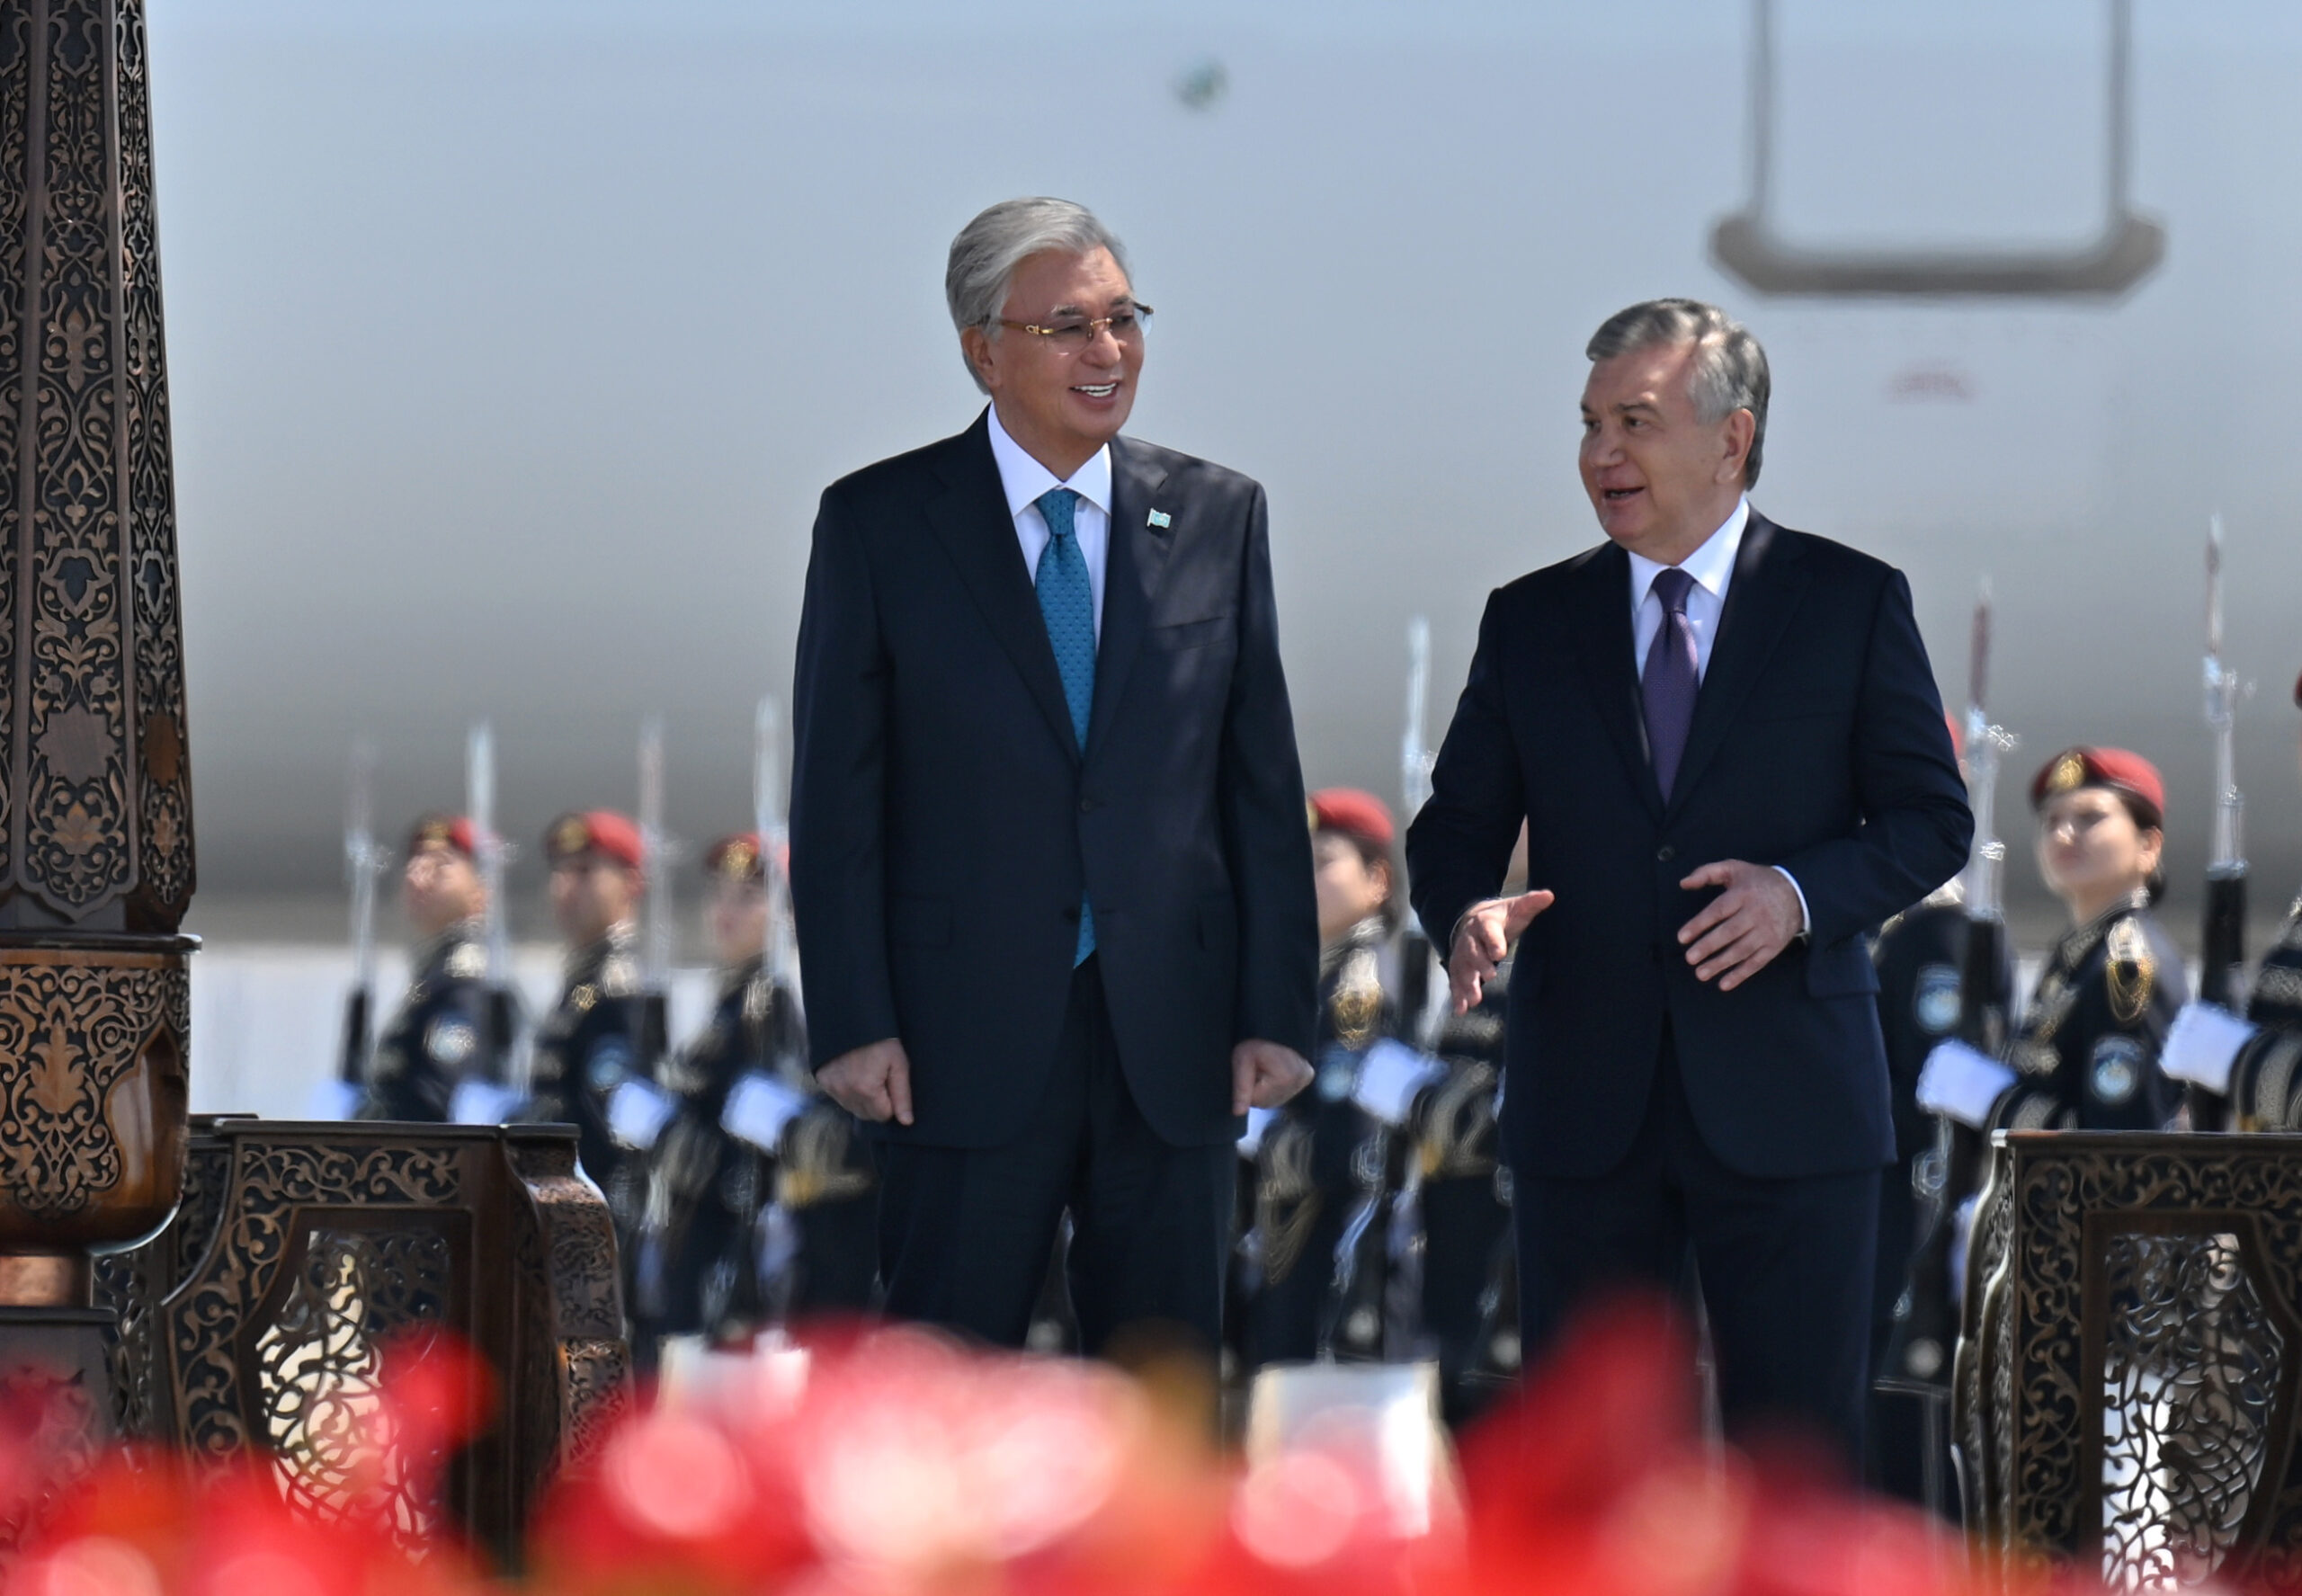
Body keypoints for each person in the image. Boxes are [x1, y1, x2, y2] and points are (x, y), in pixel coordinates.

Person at [1404, 299, 1971, 1464]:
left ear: (1731, 438)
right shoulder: (1531, 620)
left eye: (1635, 421)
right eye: (1589, 423)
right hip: (1585, 1110)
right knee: (1595, 1474)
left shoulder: (1847, 601)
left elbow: (1931, 819)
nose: (1600, 453)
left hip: (1791, 1100)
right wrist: (1463, 911)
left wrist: (1796, 895)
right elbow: (1456, 824)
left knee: (1795, 1468)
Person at [789, 197, 1319, 1360]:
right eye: (1068, 326)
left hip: (1169, 1040)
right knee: (941, 1390)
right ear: (983, 350)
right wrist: (853, 1018)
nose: (1107, 350)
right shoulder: (881, 524)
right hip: (954, 1041)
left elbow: (1258, 783)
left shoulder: (1217, 515)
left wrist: (1276, 1010)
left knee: (1161, 1398)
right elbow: (837, 799)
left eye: (1124, 318)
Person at [1863, 718, 2012, 1506]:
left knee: (1913, 1455)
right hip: (1871, 1209)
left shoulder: (1935, 931)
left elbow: (1929, 1103)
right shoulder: (1881, 926)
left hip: (1910, 1216)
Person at [1918, 748, 2185, 1138]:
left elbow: (2119, 1141)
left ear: (2148, 846)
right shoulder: (2077, 955)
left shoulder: (2127, 967)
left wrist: (1997, 1104)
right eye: (2051, 821)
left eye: (2090, 818)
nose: (2063, 834)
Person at [1245, 789, 1400, 1366]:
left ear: (1377, 879)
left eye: (1321, 862)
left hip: (1339, 1234)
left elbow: (1347, 1136)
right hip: (1290, 1226)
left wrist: (1252, 1131)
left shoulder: (1363, 983)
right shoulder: (1312, 976)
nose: (1300, 879)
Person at [524, 811, 647, 1208]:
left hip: (598, 1202)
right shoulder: (582, 980)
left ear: (630, 882)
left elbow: (606, 1121)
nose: (566, 886)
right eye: (560, 871)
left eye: (585, 872)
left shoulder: (621, 985)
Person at [359, 814, 495, 1123]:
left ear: (480, 892)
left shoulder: (464, 981)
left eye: (440, 866)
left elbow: (440, 1096)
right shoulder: (432, 976)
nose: (419, 877)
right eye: (415, 864)